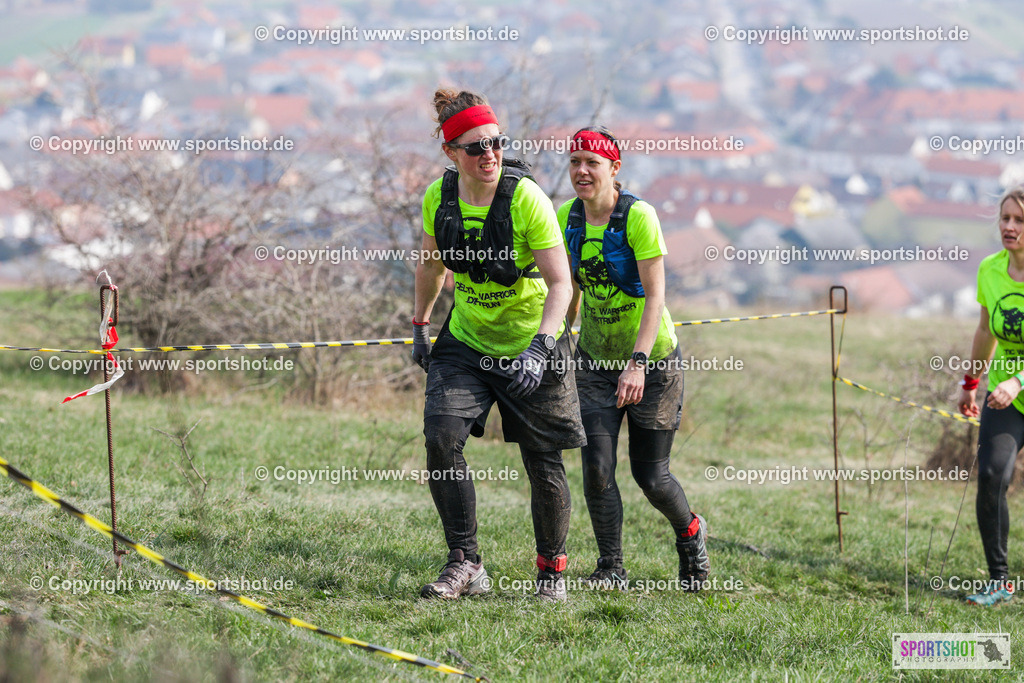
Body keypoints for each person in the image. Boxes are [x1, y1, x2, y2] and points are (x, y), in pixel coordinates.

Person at [411, 88, 586, 602]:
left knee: (543, 461)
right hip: (466, 341)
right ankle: (465, 563)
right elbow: (431, 265)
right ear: (450, 152)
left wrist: (540, 347)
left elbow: (561, 284)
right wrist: (420, 325)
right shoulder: (438, 198)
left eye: (496, 142)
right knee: (441, 438)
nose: (490, 154)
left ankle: (551, 573)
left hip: (534, 339)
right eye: (475, 147)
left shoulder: (527, 198)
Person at [558, 126, 709, 591]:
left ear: (614, 168)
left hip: (653, 362)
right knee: (597, 470)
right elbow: (570, 288)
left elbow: (656, 296)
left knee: (652, 477)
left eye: (592, 163)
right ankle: (611, 568)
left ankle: (691, 534)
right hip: (595, 363)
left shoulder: (638, 216)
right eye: (575, 161)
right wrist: (557, 342)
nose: (582, 171)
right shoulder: (567, 217)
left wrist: (637, 364)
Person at [958, 184, 1024, 606]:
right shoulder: (990, 270)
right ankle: (1000, 581)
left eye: (1020, 220)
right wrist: (970, 384)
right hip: (1006, 399)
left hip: (1013, 387)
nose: (1009, 226)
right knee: (990, 476)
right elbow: (986, 330)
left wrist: (1018, 381)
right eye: (1005, 218)